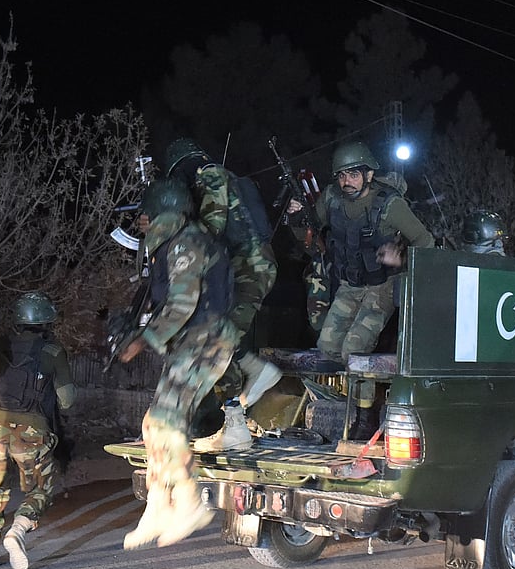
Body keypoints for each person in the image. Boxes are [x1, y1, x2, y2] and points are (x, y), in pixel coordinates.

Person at [119, 176, 239, 549]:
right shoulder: (172, 243)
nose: (142, 220)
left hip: (207, 339)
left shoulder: (187, 242)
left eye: (147, 213)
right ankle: (158, 505)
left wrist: (144, 340)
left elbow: (183, 304)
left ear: (164, 211)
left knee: (167, 422)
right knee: (152, 424)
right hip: (194, 341)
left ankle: (188, 501)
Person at [287, 140, 435, 437]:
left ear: (369, 174)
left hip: (382, 286)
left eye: (354, 174)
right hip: (349, 285)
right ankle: (350, 402)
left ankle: (365, 417)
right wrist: (296, 218)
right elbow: (309, 235)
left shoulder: (390, 205)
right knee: (328, 348)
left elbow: (426, 242)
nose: (347, 181)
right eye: (342, 175)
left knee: (354, 351)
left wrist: (401, 256)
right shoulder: (332, 199)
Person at [165, 138, 280, 452]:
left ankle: (238, 419)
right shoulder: (215, 176)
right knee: (215, 333)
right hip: (244, 265)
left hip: (251, 266)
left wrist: (175, 233)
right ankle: (248, 386)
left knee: (216, 338)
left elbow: (212, 226)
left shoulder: (211, 173)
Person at [0, 291, 75, 569]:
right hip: (33, 431)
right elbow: (67, 399)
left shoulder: (0, 347)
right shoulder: (52, 352)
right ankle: (17, 531)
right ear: (46, 322)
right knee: (41, 488)